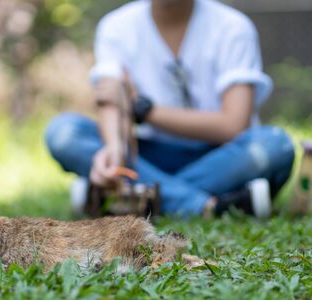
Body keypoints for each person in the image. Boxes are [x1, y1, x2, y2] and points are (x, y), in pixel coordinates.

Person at [45, 0, 295, 218]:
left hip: (219, 156)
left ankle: (121, 198)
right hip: (145, 155)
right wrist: (115, 148)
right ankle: (209, 206)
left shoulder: (233, 27)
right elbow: (112, 101)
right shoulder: (116, 26)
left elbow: (233, 125)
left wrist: (143, 109)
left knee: (275, 146)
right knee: (63, 132)